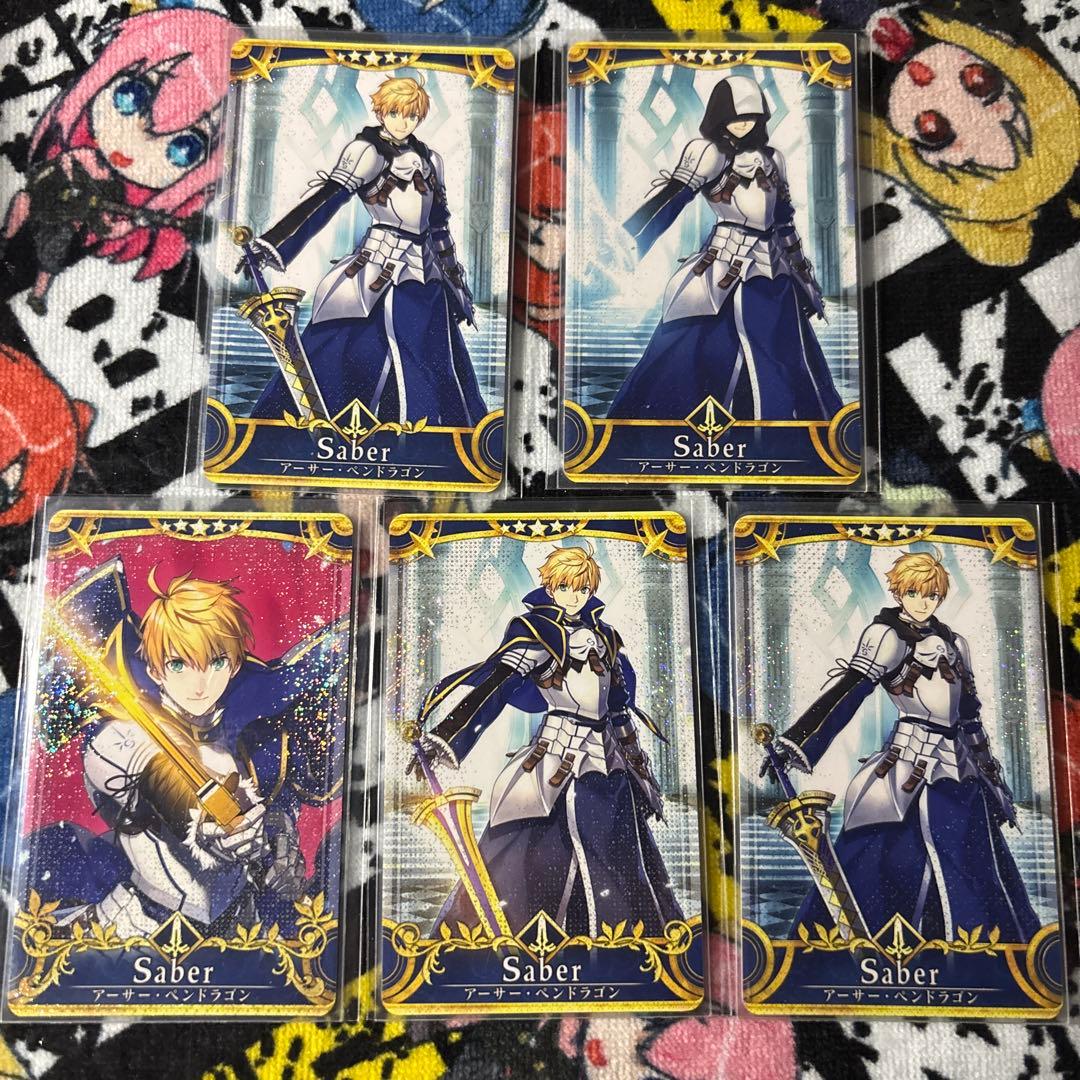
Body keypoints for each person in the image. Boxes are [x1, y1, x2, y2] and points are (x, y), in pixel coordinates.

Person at [30, 563, 347, 938]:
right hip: (139, 927)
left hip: (242, 931)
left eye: (216, 663)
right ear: (155, 668)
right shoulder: (116, 735)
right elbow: (162, 778)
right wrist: (209, 821)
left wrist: (280, 841)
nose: (200, 684)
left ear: (234, 665)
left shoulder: (256, 733)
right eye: (179, 664)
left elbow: (275, 806)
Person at [765, 550, 1040, 942]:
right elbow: (848, 693)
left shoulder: (955, 644)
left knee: (973, 862)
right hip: (907, 766)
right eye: (913, 593)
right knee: (879, 860)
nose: (923, 602)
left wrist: (992, 778)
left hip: (958, 770)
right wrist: (798, 742)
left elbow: (969, 714)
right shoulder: (886, 637)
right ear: (898, 592)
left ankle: (978, 955)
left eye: (931, 595)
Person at [410, 545, 682, 937]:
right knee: (524, 856)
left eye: (583, 588)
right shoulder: (537, 634)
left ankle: (627, 945)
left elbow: (619, 707)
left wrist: (637, 762)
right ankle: (504, 942)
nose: (575, 596)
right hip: (554, 759)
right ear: (551, 588)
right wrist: (447, 738)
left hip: (607, 764)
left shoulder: (606, 638)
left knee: (619, 855)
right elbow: (496, 688)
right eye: (565, 587)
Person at [246, 76, 486, 427]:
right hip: (378, 268)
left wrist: (457, 288)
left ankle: (431, 438)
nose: (403, 122)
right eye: (395, 113)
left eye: (411, 116)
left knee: (434, 357)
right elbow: (326, 201)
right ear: (381, 111)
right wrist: (274, 244)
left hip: (426, 276)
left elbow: (438, 225)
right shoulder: (366, 152)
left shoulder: (431, 160)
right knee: (342, 349)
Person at [609, 75, 842, 423]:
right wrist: (629, 243)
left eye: (751, 117)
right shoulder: (709, 154)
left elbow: (783, 220)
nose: (744, 123)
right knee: (692, 355)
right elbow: (670, 201)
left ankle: (778, 436)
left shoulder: (773, 159)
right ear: (720, 117)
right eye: (735, 117)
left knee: (787, 354)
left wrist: (804, 275)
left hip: (775, 274)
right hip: (724, 269)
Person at [0, 9, 237, 314]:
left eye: (184, 148)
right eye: (130, 95)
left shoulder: (117, 198)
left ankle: (39, 292)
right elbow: (65, 163)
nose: (134, 148)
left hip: (67, 222)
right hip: (47, 196)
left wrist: (126, 223)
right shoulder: (81, 153)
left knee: (53, 253)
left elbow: (107, 225)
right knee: (23, 202)